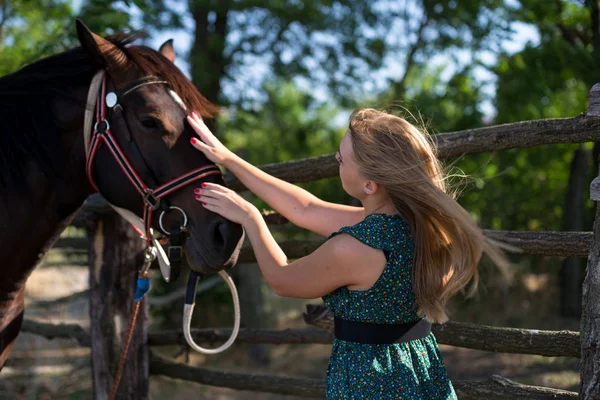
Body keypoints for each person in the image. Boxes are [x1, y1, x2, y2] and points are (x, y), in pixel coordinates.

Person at [187, 108, 511, 399]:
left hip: (370, 381)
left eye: (341, 160)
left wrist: (251, 218)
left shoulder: (354, 247)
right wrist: (229, 158)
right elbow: (305, 207)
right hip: (415, 367)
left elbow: (283, 280)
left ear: (370, 185)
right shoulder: (416, 225)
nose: (336, 163)